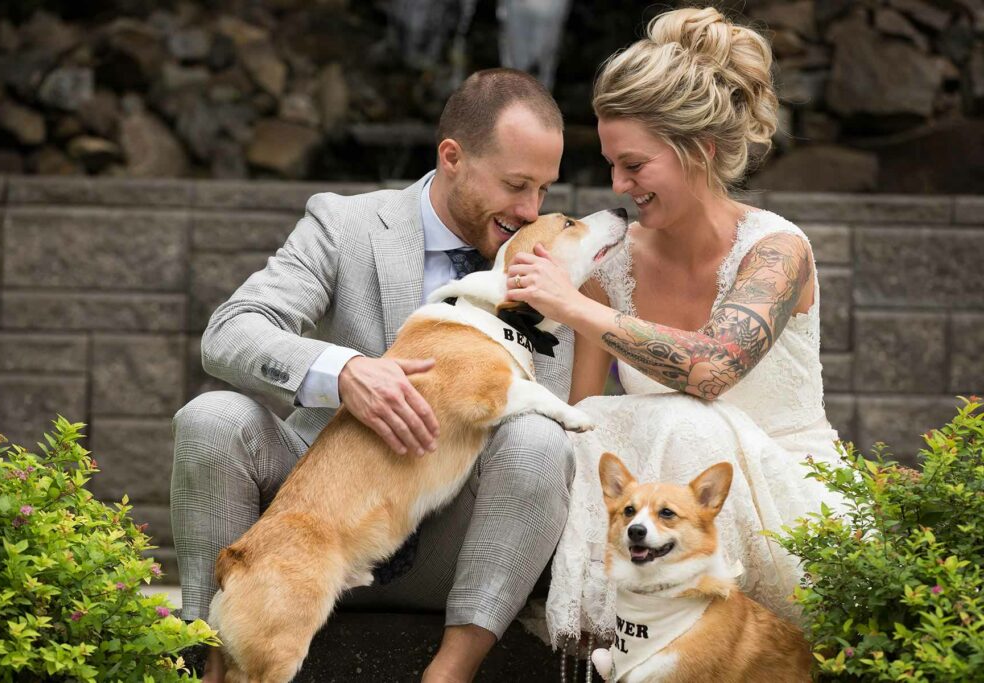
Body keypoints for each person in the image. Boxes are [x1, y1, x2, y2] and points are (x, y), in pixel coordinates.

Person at [171, 68, 575, 682]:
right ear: (453, 158)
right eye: (516, 185)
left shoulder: (549, 260)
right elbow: (231, 329)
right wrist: (346, 371)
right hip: (317, 534)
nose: (529, 211)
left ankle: (452, 671)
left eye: (544, 190)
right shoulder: (347, 225)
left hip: (455, 545)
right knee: (212, 418)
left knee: (541, 438)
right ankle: (206, 662)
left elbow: (558, 409)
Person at [501, 7, 847, 647]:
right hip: (662, 529)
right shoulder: (613, 264)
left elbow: (714, 368)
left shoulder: (777, 251)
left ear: (701, 150)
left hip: (795, 513)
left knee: (686, 416)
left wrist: (575, 305)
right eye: (610, 165)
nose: (618, 184)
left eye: (634, 165)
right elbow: (587, 418)